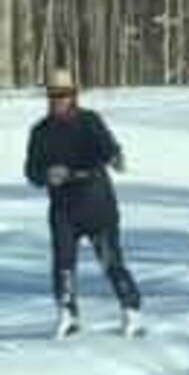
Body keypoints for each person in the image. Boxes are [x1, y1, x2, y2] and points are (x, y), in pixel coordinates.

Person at [24, 69, 142, 339]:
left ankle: (131, 309)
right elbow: (31, 170)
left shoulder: (89, 121)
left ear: (74, 95)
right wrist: (46, 175)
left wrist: (115, 157)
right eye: (54, 95)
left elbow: (107, 146)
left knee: (110, 261)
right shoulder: (40, 131)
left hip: (97, 205)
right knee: (63, 264)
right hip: (63, 210)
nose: (59, 100)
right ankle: (67, 313)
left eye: (64, 95)